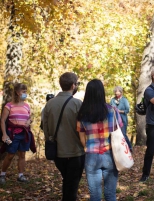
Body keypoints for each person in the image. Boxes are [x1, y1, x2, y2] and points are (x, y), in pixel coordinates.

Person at [77, 79, 123, 201]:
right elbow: (118, 132)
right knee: (110, 194)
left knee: (95, 196)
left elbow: (81, 136)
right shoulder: (112, 110)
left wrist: (86, 147)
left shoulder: (82, 113)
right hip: (109, 154)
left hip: (91, 156)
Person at [43, 72, 85, 201]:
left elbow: (45, 128)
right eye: (77, 83)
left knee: (68, 180)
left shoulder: (49, 104)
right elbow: (83, 129)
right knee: (72, 184)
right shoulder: (78, 104)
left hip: (57, 152)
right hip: (75, 152)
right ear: (73, 85)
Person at [0, 83, 35, 184]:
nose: (25, 94)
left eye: (26, 92)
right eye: (24, 92)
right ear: (17, 92)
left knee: (22, 154)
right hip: (12, 134)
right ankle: (2, 174)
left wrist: (29, 121)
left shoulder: (27, 106)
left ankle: (20, 175)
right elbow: (2, 120)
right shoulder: (9, 105)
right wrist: (4, 134)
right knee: (10, 154)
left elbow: (29, 118)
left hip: (24, 134)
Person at [110, 86, 132, 152]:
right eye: (115, 92)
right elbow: (110, 108)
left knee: (123, 134)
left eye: (118, 92)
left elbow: (127, 110)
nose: (116, 93)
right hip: (114, 120)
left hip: (123, 119)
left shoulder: (124, 100)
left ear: (121, 92)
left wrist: (120, 111)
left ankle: (129, 148)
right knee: (115, 135)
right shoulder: (112, 100)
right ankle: (119, 150)